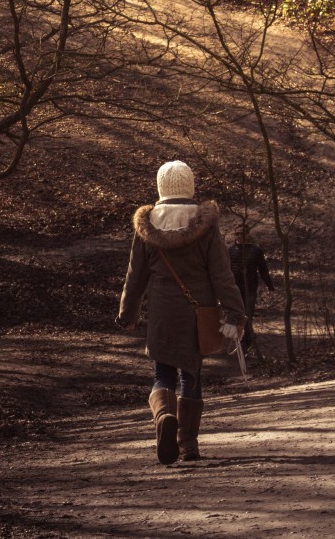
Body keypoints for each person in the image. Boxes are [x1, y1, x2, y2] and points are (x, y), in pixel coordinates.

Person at [116, 160, 245, 465]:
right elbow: (222, 276)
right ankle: (187, 444)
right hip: (197, 311)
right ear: (190, 186)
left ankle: (163, 416)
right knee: (191, 373)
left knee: (162, 372)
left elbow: (135, 275)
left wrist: (128, 312)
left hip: (162, 310)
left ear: (161, 187)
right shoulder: (206, 226)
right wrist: (235, 312)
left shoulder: (146, 226)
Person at [228, 225, 275, 353]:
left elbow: (263, 269)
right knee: (237, 316)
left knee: (247, 314)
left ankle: (245, 343)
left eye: (242, 233)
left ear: (248, 234)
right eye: (237, 234)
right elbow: (225, 271)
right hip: (235, 289)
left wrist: (270, 286)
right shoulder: (230, 250)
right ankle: (242, 341)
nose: (239, 236)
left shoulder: (256, 251)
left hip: (250, 288)